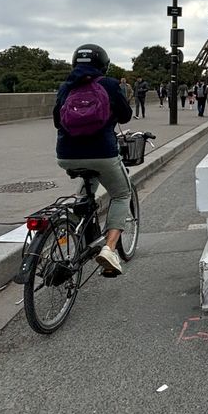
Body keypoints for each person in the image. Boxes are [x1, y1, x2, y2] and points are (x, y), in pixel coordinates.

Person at [53, 43, 133, 276]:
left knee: (84, 191)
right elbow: (126, 116)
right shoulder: (108, 84)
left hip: (66, 155)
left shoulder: (66, 87)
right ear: (103, 65)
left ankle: (71, 235)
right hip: (102, 153)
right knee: (121, 194)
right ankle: (109, 249)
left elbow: (58, 121)